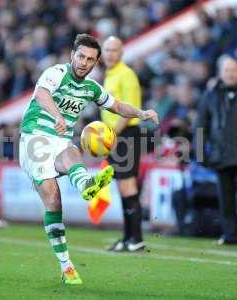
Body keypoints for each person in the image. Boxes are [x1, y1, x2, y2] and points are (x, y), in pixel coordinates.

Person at [19, 33, 158, 285]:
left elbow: (116, 106)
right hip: (35, 138)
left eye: (90, 59)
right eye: (80, 56)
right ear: (73, 55)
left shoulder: (91, 87)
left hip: (61, 141)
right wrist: (57, 116)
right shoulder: (56, 72)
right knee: (53, 198)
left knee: (72, 151)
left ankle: (86, 185)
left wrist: (141, 112)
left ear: (96, 62)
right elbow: (41, 94)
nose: (84, 62)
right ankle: (66, 264)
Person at [196, 56, 237, 246]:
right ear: (220, 73)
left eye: (234, 70)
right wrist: (200, 153)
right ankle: (230, 234)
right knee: (225, 198)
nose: (230, 74)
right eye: (227, 70)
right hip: (220, 156)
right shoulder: (210, 95)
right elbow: (201, 125)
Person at [101, 36, 145, 252]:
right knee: (122, 186)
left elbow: (130, 111)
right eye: (107, 49)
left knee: (128, 185)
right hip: (115, 136)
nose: (109, 53)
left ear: (121, 52)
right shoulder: (110, 75)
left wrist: (109, 133)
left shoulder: (126, 75)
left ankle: (135, 238)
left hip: (125, 134)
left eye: (114, 50)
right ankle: (128, 237)